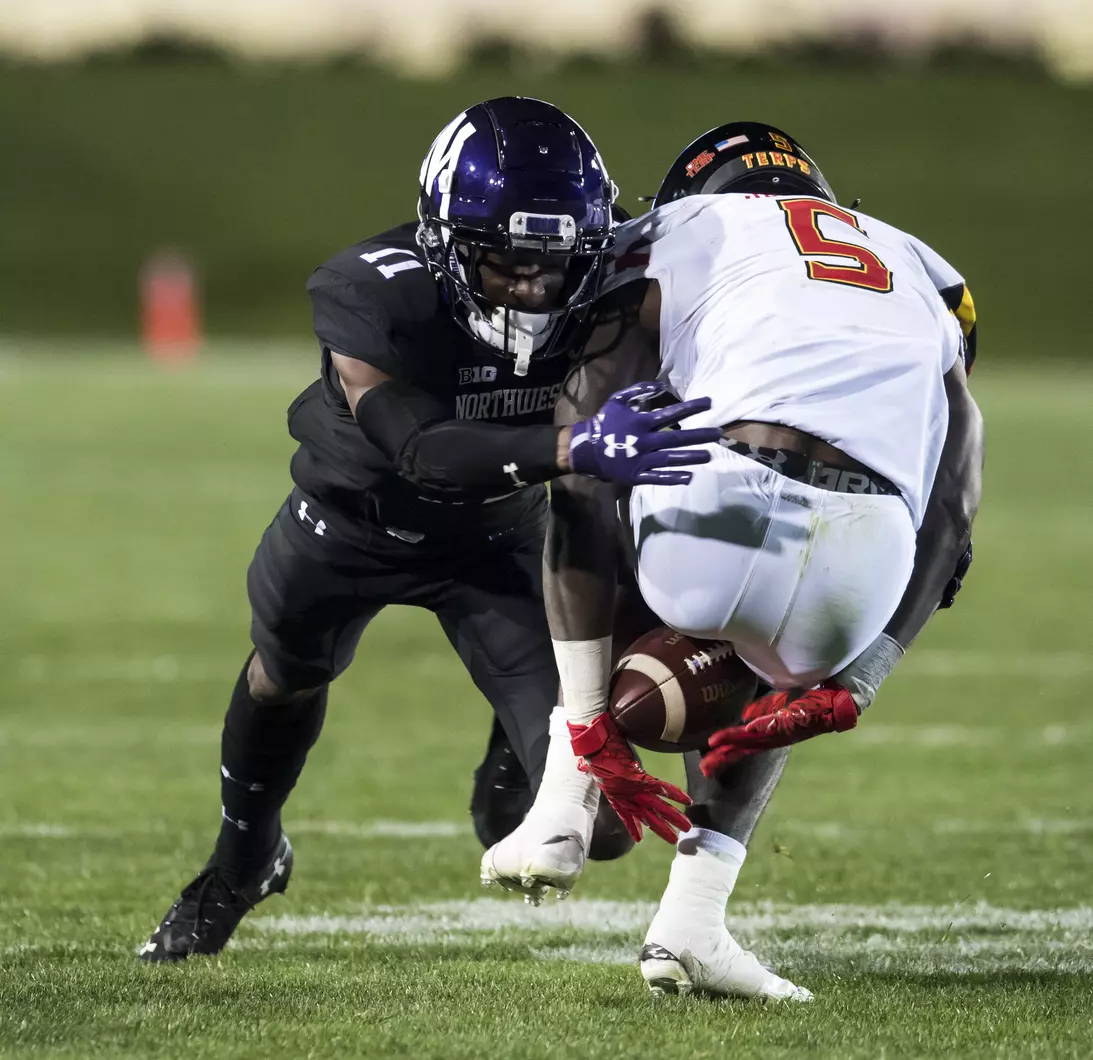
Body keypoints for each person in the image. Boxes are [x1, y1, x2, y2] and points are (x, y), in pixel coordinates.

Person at [138, 97, 717, 962]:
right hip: (349, 524)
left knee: (597, 829)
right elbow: (419, 449)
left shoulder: (618, 276)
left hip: (502, 539)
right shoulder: (372, 288)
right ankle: (241, 862)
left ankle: (508, 753)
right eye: (504, 263)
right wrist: (576, 444)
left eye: (554, 265)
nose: (531, 287)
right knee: (282, 674)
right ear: (445, 244)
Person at [482, 122, 983, 1000]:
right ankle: (693, 922)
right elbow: (950, 511)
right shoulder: (923, 269)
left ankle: (566, 794)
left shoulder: (678, 232)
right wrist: (855, 678)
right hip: (861, 568)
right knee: (755, 668)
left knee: (600, 453)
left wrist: (594, 716)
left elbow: (592, 435)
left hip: (714, 518)